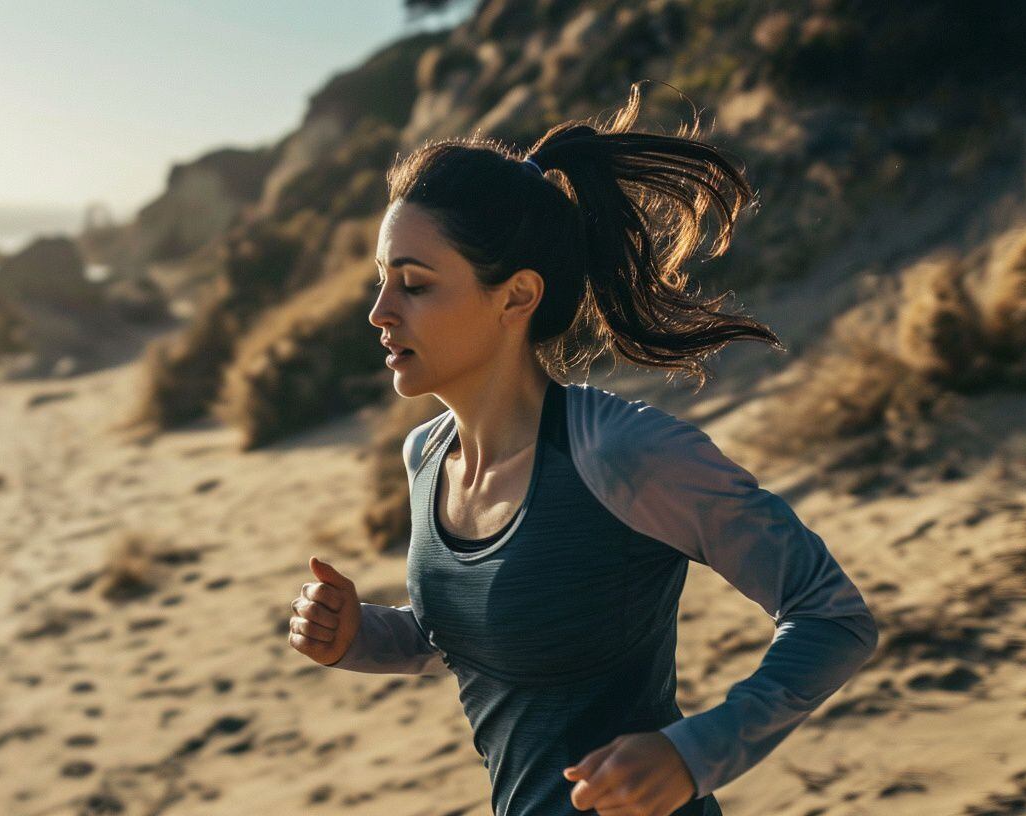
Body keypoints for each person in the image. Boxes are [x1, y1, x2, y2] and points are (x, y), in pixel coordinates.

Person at [287, 81, 879, 816]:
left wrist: (693, 754)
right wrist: (360, 636)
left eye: (413, 284)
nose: (379, 312)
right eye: (381, 281)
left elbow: (833, 615)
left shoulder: (622, 455)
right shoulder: (426, 459)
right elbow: (481, 633)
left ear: (516, 296)